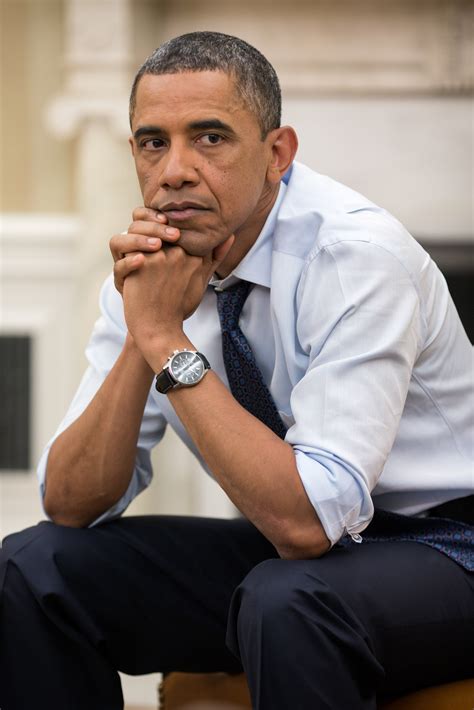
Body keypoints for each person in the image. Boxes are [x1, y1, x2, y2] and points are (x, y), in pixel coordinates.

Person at [0, 31, 472, 710]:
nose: (176, 170)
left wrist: (166, 338)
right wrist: (143, 333)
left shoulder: (356, 259)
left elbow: (309, 524)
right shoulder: (151, 269)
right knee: (34, 565)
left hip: (449, 544)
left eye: (210, 137)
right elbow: (71, 504)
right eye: (153, 142)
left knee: (287, 599)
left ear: (277, 153)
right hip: (305, 557)